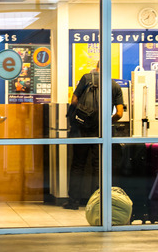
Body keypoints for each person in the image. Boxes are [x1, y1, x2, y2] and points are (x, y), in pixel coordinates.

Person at [65, 63, 124, 210]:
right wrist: (105, 121)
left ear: (96, 67)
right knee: (99, 166)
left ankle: (73, 202)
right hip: (101, 131)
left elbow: (74, 100)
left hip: (81, 129)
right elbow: (119, 113)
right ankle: (98, 202)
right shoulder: (114, 86)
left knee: (78, 164)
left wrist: (80, 117)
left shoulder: (86, 78)